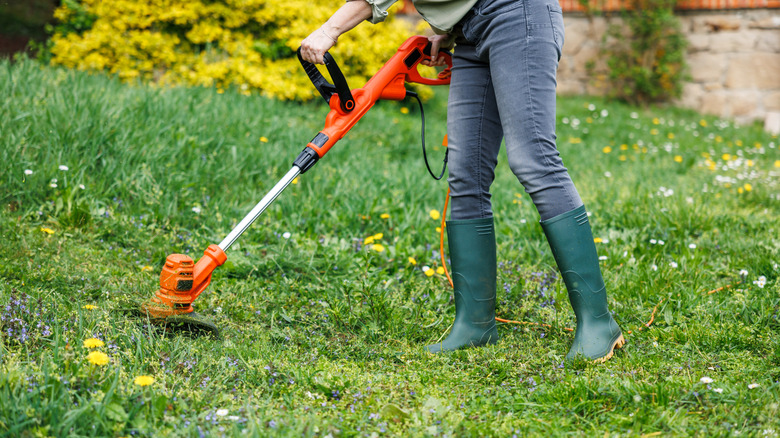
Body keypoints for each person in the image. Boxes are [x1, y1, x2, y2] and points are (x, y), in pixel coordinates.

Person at [300, 0, 625, 362]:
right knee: (465, 170)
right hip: (470, 33)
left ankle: (598, 322)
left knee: (533, 158)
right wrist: (446, 28)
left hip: (518, 15)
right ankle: (475, 324)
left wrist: (330, 30)